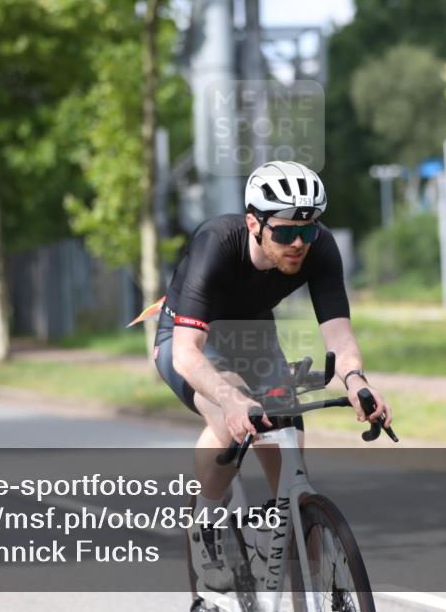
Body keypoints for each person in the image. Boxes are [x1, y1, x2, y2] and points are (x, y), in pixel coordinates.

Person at [152, 161, 392, 602]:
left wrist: (357, 382)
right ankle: (207, 524)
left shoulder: (319, 248)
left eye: (308, 230)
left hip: (256, 341)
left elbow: (339, 336)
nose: (298, 243)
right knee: (228, 419)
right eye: (284, 233)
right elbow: (187, 353)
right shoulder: (217, 243)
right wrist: (230, 399)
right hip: (188, 340)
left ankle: (312, 584)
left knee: (290, 456)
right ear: (254, 224)